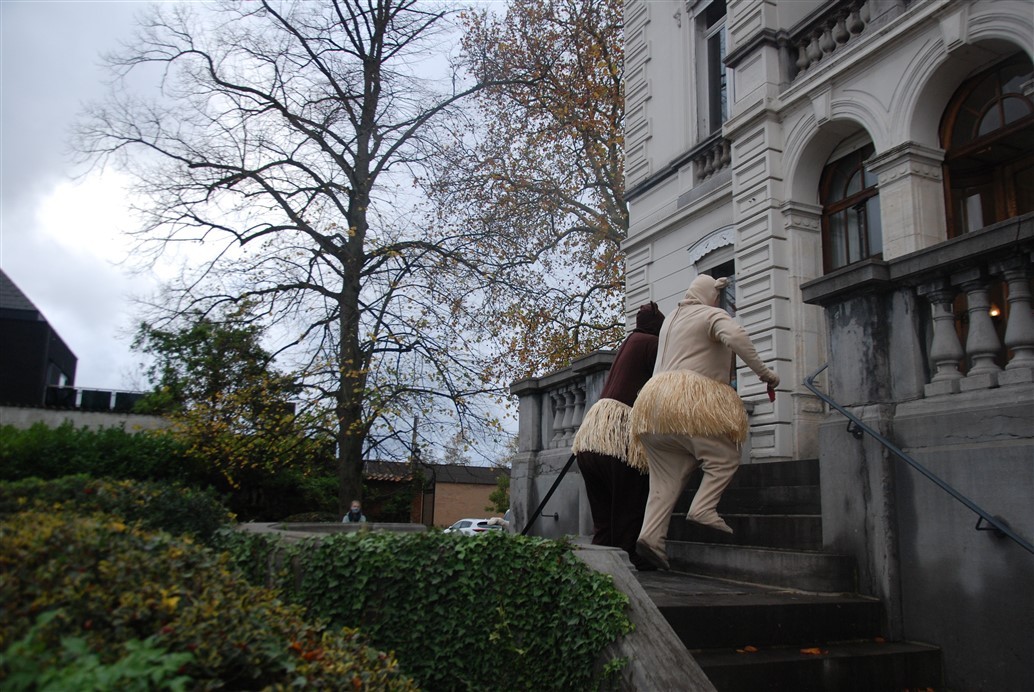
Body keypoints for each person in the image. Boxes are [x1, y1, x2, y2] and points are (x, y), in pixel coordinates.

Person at [631, 275, 779, 570]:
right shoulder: (711, 314)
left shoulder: (670, 319)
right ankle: (703, 508)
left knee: (665, 478)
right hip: (685, 401)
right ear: (711, 295)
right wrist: (766, 374)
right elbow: (736, 337)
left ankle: (651, 536)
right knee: (724, 457)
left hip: (649, 407)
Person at [571, 302, 665, 571]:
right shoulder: (652, 344)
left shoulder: (629, 343)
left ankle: (598, 566)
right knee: (630, 500)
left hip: (590, 438)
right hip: (617, 438)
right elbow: (664, 386)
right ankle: (628, 557)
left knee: (603, 516)